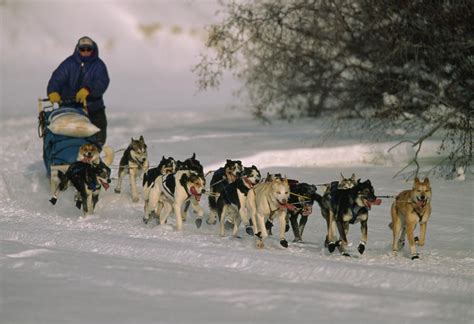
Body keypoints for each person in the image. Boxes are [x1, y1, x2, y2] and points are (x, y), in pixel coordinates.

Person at [47, 36, 110, 147]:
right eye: (82, 49)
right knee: (68, 137)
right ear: (78, 49)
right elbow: (57, 78)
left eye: (88, 49)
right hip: (70, 107)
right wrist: (53, 91)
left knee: (99, 137)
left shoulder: (99, 65)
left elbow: (102, 82)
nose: (85, 52)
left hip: (93, 107)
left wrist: (88, 89)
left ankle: (92, 158)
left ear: (93, 50)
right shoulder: (69, 64)